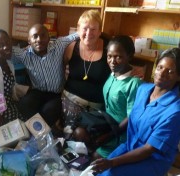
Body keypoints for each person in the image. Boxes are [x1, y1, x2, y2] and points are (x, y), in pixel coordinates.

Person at [92, 48, 180, 176]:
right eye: (160, 67)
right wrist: (109, 136)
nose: (162, 73)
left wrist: (112, 162)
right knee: (100, 171)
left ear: (178, 76)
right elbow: (132, 117)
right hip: (130, 146)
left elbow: (149, 149)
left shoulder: (175, 111)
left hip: (152, 160)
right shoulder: (143, 89)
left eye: (170, 71)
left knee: (110, 172)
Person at [83, 35, 142, 160]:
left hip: (120, 133)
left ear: (129, 56)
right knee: (79, 134)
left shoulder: (134, 83)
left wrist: (108, 136)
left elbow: (132, 117)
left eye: (118, 57)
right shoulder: (113, 74)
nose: (112, 61)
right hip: (107, 124)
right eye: (109, 56)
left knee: (95, 158)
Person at [12, 24, 79, 127]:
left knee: (48, 110)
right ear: (29, 40)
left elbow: (78, 34)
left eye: (43, 36)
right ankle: (43, 131)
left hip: (56, 94)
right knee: (23, 105)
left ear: (49, 38)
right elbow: (6, 48)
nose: (39, 39)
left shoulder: (59, 45)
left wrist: (103, 36)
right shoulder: (24, 55)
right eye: (35, 36)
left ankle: (42, 131)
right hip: (37, 92)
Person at [61, 9, 111, 139]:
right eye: (85, 28)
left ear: (100, 31)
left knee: (87, 140)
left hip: (96, 109)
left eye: (93, 29)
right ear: (78, 30)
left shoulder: (109, 49)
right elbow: (59, 69)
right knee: (71, 139)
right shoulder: (71, 47)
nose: (89, 33)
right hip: (70, 103)